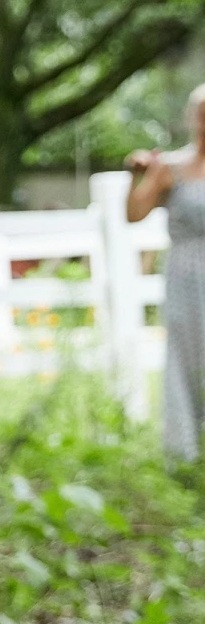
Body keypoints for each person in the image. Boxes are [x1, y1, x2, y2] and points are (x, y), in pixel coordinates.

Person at [126, 84, 205, 464]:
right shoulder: (171, 167)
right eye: (202, 113)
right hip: (186, 274)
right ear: (192, 118)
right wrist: (135, 176)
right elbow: (134, 214)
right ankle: (186, 449)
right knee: (185, 353)